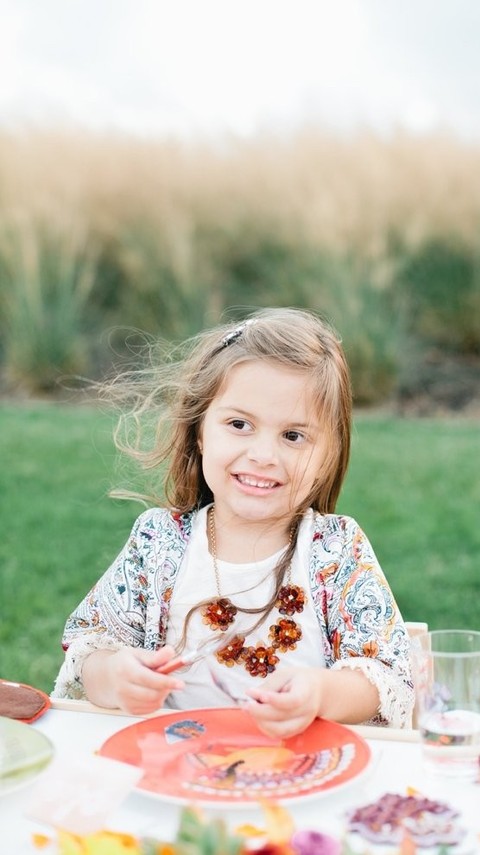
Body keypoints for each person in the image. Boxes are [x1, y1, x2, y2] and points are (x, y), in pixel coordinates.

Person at [53, 307, 414, 737]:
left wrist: (321, 692)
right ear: (201, 432)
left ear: (327, 457)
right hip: (177, 772)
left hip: (301, 774)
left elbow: (384, 675)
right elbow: (91, 647)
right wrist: (116, 675)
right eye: (240, 424)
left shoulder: (335, 550)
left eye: (293, 436)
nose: (263, 455)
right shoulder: (159, 540)